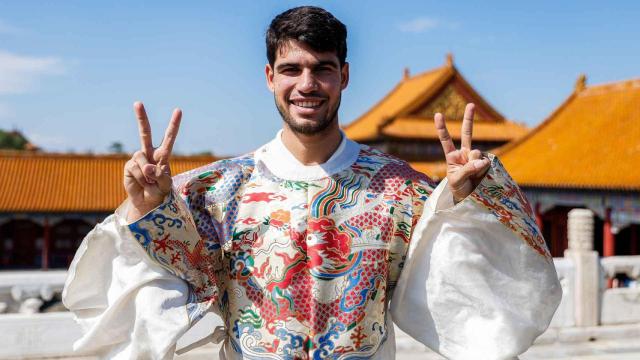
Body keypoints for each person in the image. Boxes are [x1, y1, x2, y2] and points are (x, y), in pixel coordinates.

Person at [62, 6, 561, 360]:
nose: (307, 84)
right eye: (291, 69)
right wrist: (147, 210)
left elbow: (465, 293)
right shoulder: (216, 190)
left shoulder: (403, 190)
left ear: (343, 75)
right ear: (269, 77)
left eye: (322, 69)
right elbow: (168, 283)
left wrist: (469, 201)